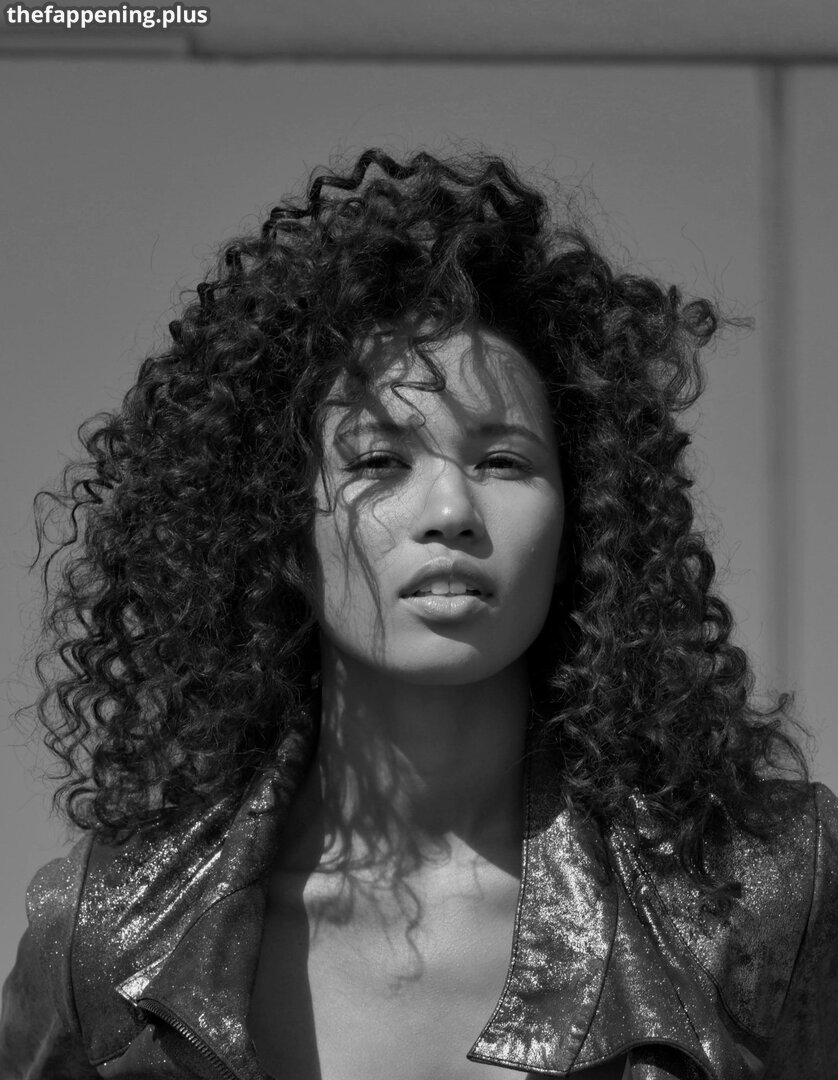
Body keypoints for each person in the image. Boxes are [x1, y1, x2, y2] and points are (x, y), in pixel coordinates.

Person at [0, 148, 835, 1080]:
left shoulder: (761, 898)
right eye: (378, 461)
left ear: (582, 522)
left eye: (503, 460)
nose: (449, 510)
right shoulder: (105, 938)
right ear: (277, 524)